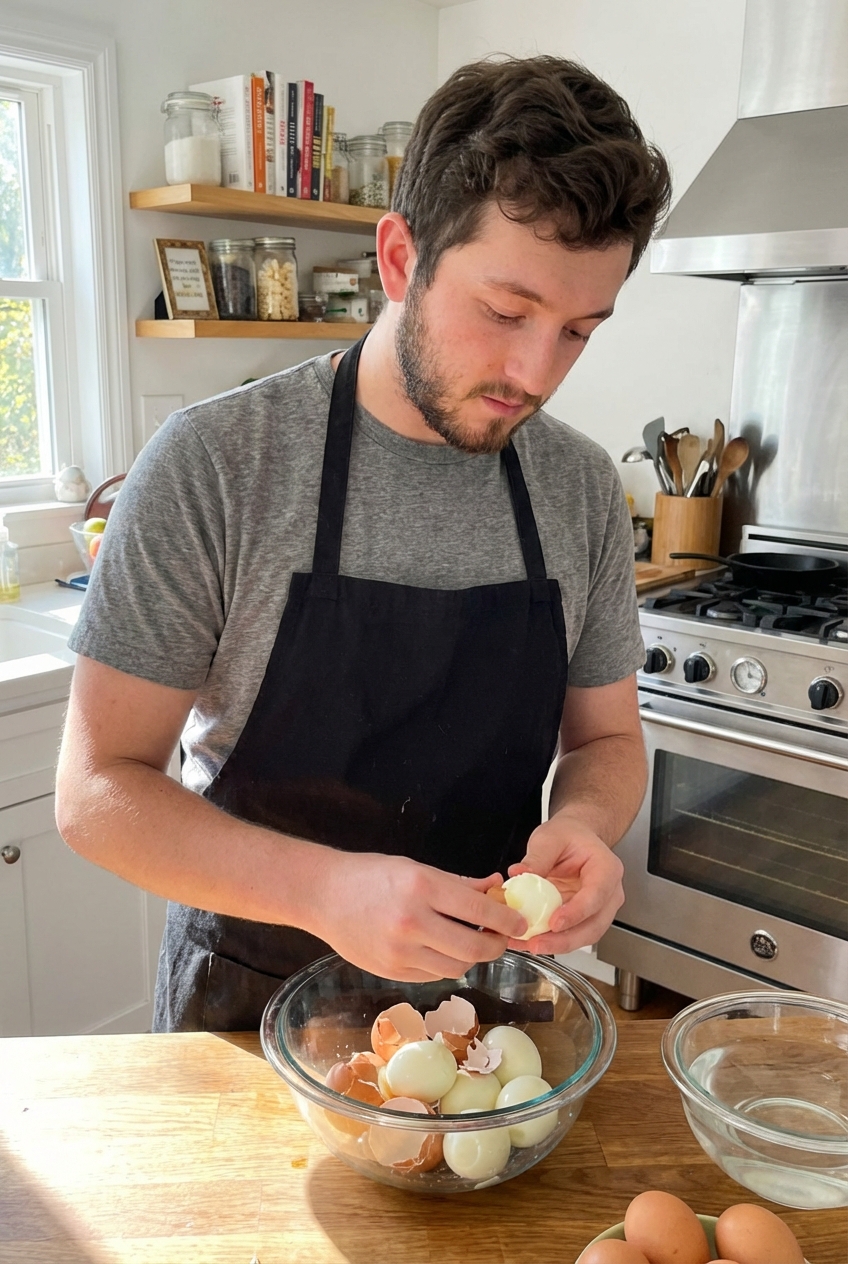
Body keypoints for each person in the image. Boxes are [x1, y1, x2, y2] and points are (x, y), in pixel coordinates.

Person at [56, 55, 671, 1032]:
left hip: (487, 1020)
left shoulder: (578, 485)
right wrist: (321, 890)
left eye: (576, 331)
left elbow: (604, 738)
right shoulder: (220, 463)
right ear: (398, 260)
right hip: (247, 1014)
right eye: (504, 312)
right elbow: (96, 792)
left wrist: (584, 828)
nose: (534, 370)